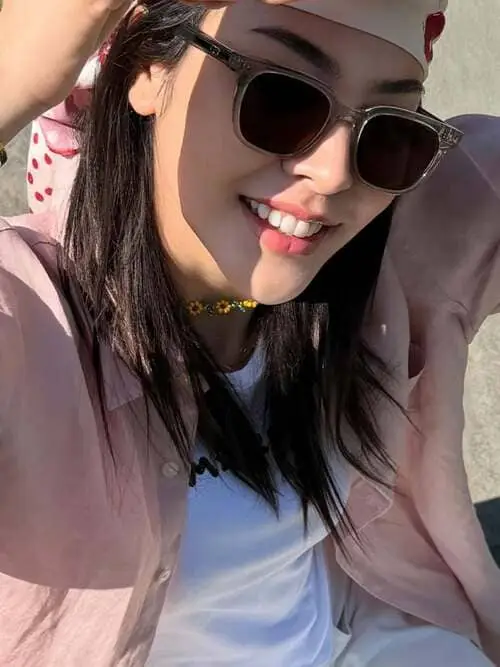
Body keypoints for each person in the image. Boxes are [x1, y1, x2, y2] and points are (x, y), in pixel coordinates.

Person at [0, 1, 499, 666]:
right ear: (147, 66)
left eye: (388, 132)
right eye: (280, 98)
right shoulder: (31, 322)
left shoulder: (384, 255)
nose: (335, 173)